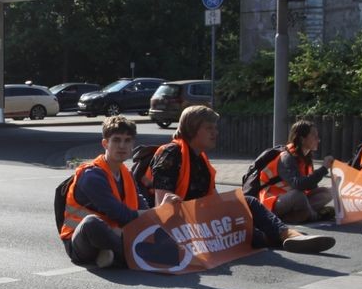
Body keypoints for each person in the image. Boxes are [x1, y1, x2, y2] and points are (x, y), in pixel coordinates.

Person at [150, 106, 336, 254]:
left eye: (215, 128)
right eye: (209, 128)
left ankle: (287, 235)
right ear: (192, 129)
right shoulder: (171, 153)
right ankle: (286, 235)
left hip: (204, 220)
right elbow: (162, 205)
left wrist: (229, 207)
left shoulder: (200, 158)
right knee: (252, 233)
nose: (215, 132)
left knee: (247, 207)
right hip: (183, 225)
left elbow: (212, 198)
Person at [60, 115, 150, 268]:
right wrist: (148, 216)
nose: (122, 145)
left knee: (154, 225)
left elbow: (142, 206)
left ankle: (114, 255)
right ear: (105, 143)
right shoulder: (92, 175)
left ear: (132, 145)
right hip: (81, 242)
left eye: (127, 140)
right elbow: (120, 214)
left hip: (118, 233)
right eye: (116, 140)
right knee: (91, 223)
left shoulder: (126, 173)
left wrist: (160, 213)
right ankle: (134, 256)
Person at [257, 120, 336, 223]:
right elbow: (298, 184)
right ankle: (314, 215)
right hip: (273, 201)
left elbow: (311, 186)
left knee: (329, 192)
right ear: (302, 139)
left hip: (294, 200)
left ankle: (297, 214)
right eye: (314, 136)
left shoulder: (306, 157)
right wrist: (324, 169)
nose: (318, 139)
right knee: (298, 195)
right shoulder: (286, 158)